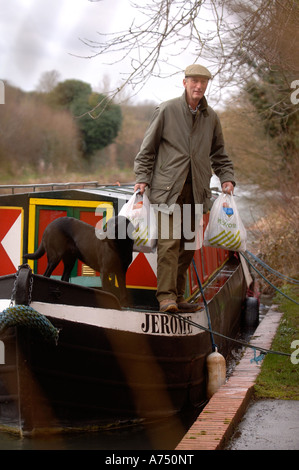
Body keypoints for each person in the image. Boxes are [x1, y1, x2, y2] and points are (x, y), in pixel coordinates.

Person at [134, 64, 235, 313]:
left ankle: (178, 296)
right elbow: (148, 149)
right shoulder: (167, 110)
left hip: (196, 192)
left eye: (203, 82)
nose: (199, 86)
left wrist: (227, 177)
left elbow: (219, 153)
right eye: (194, 81)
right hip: (168, 190)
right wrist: (142, 177)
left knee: (188, 246)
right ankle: (166, 298)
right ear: (185, 82)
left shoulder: (211, 117)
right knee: (169, 245)